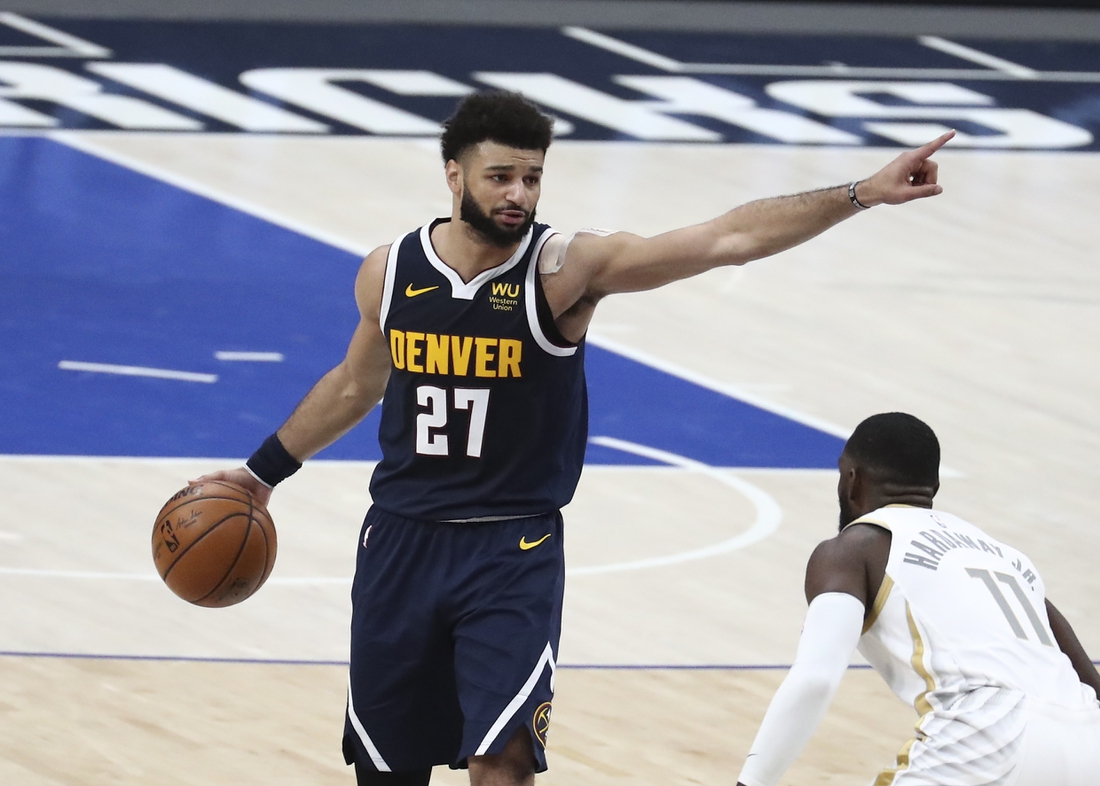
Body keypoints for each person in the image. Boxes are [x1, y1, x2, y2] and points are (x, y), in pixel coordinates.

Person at [197, 91, 952, 786]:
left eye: (532, 178)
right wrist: (259, 476)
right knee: (386, 772)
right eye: (500, 177)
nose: (519, 195)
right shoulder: (390, 273)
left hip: (511, 550)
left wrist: (861, 193)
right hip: (400, 544)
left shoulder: (566, 270)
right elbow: (357, 385)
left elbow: (728, 239)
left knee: (505, 761)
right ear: (453, 175)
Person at [736, 412, 1100, 786]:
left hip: (987, 734)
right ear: (934, 486)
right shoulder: (1004, 556)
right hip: (1088, 740)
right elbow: (1090, 680)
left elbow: (815, 679)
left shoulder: (856, 547)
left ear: (852, 480)